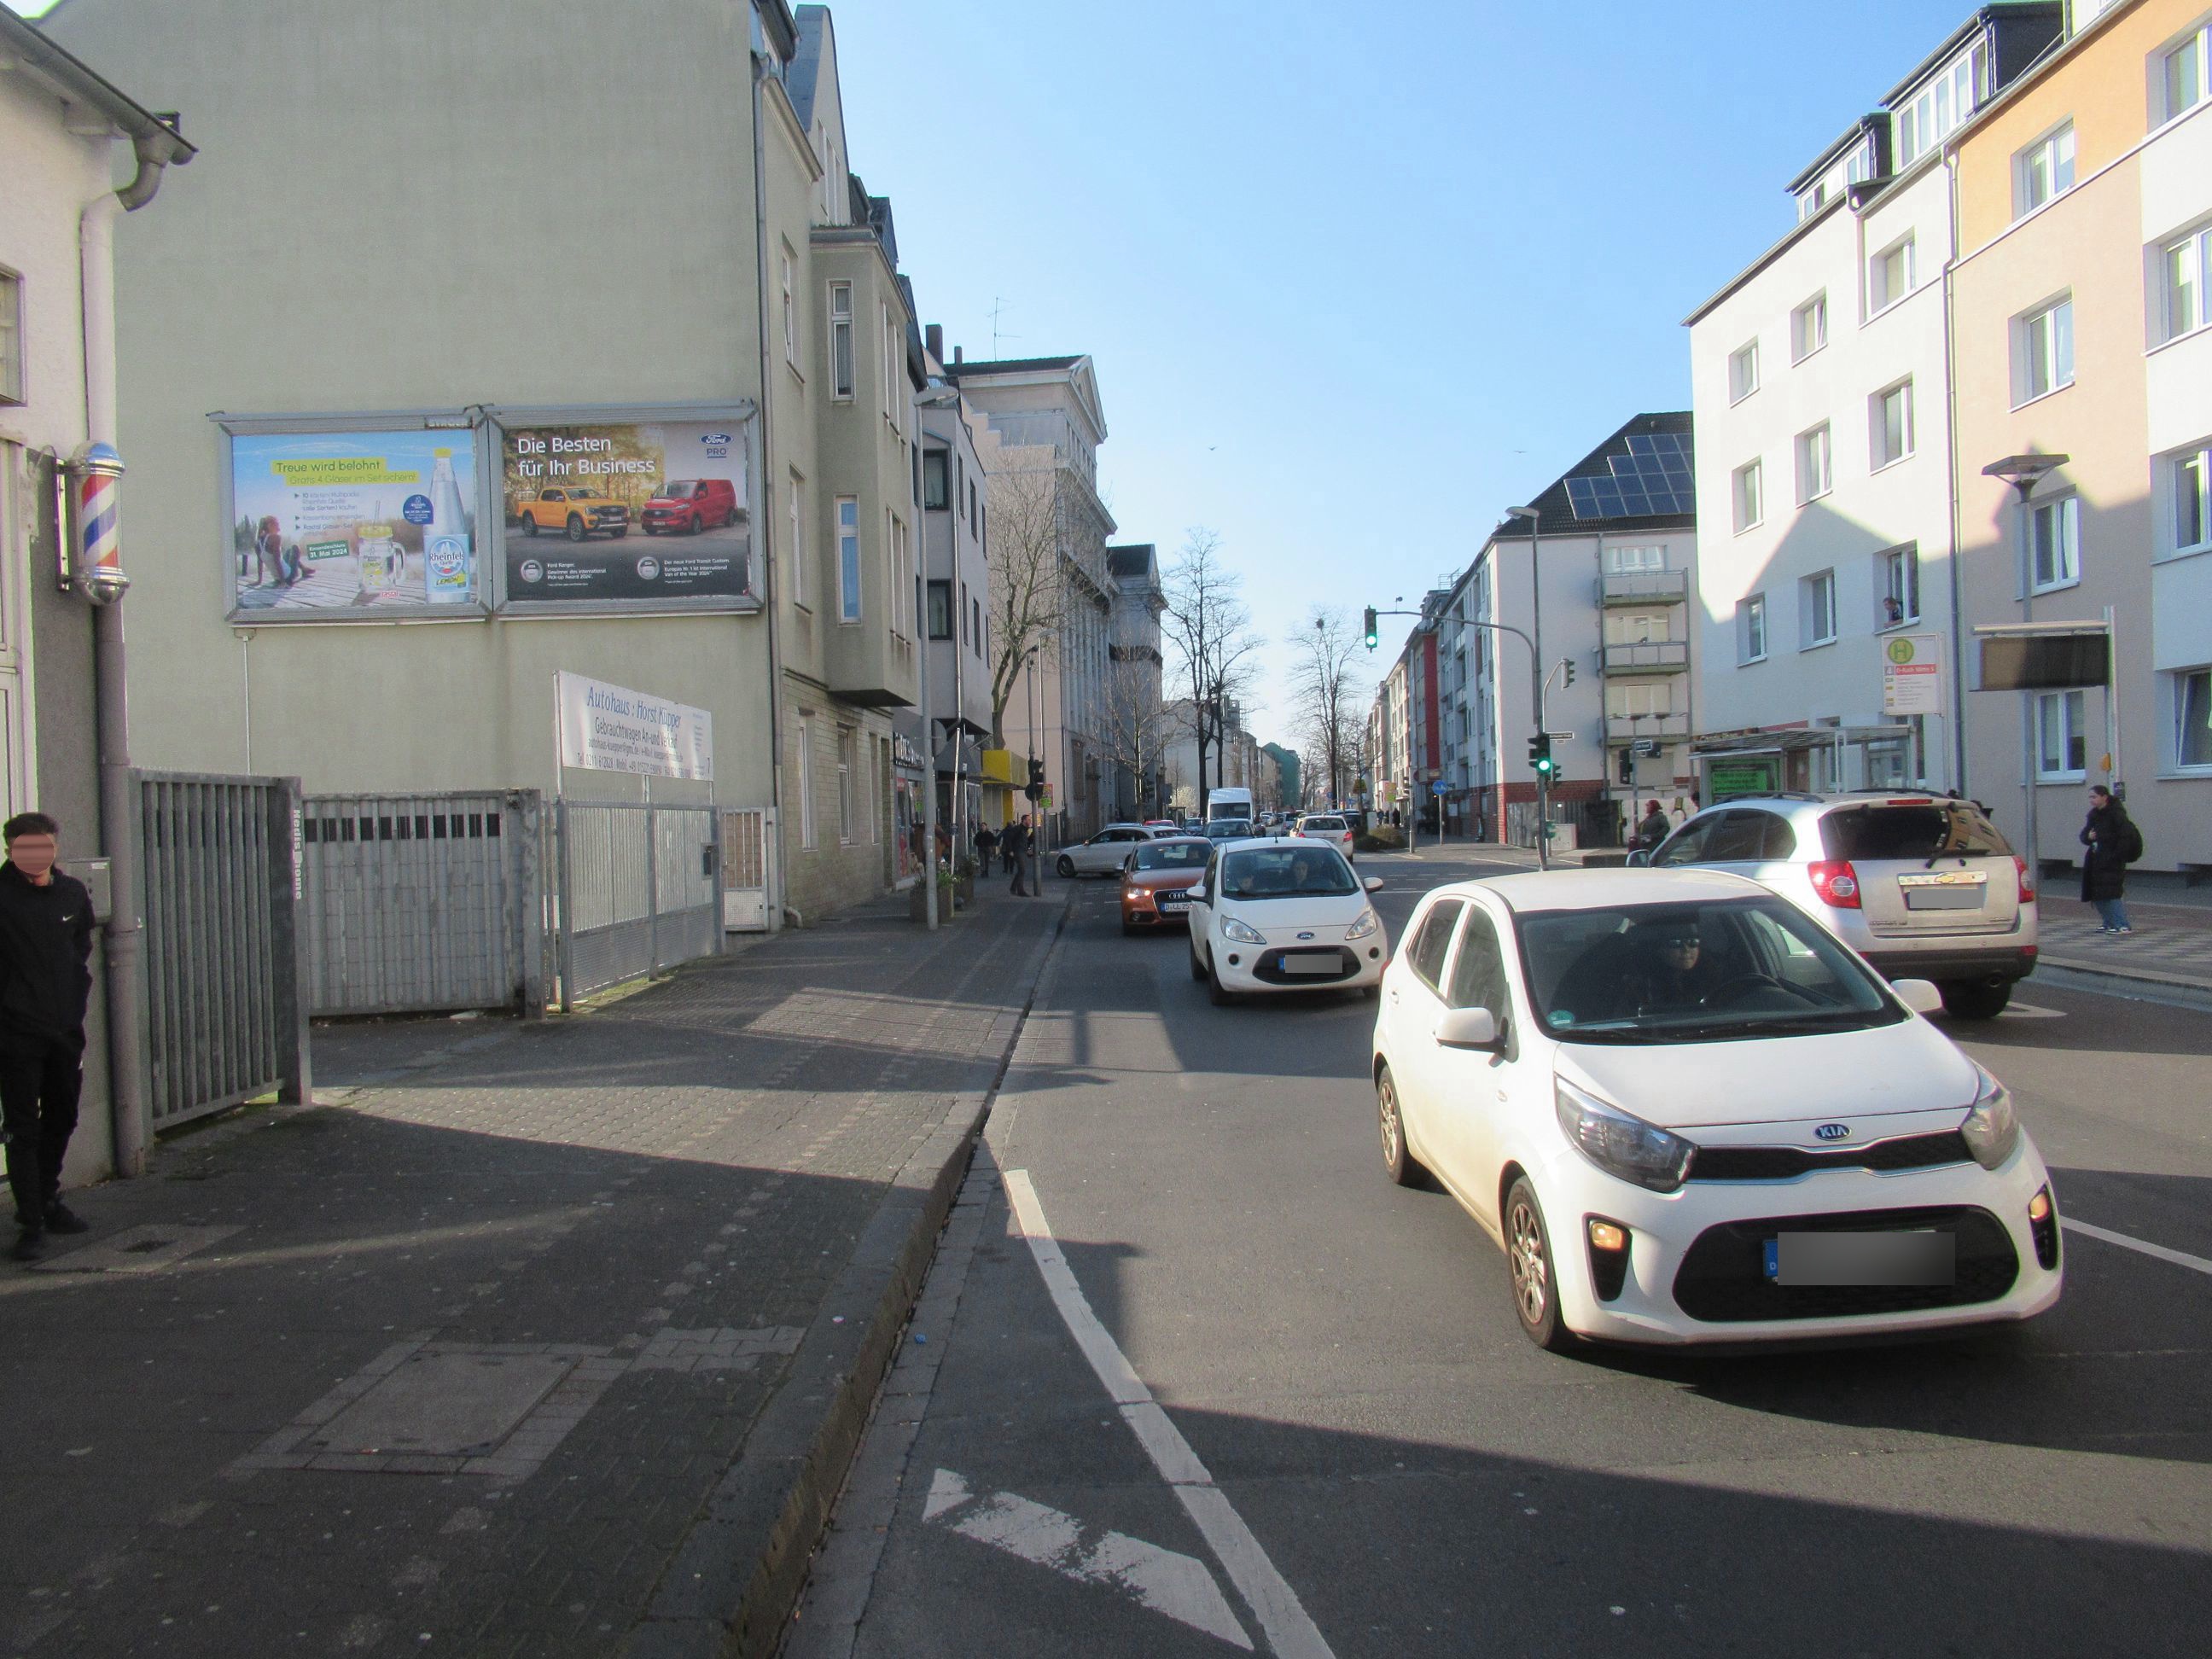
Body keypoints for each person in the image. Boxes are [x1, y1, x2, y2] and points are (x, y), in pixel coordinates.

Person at [0, 812, 96, 1262]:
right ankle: (31, 1223)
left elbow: (80, 946)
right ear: (10, 850)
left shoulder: (72, 893)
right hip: (16, 1033)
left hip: (64, 1030)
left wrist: (72, 997)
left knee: (64, 1115)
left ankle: (47, 1198)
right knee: (23, 1128)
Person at [2079, 784, 2139, 934]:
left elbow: (2125, 837)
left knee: (2111, 893)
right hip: (2095, 860)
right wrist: (2088, 837)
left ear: (2104, 797)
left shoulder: (2116, 814)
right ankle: (2108, 922)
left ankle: (2122, 924)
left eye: (2094, 797)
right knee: (2097, 893)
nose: (2091, 800)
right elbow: (2084, 835)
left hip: (2111, 861)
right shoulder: (2093, 815)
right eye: (2090, 797)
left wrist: (2116, 856)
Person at [1005, 816, 1032, 896]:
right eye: (1028, 820)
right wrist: (1010, 850)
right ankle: (1020, 890)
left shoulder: (1025, 830)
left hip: (1023, 851)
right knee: (1022, 869)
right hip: (1018, 851)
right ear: (1024, 820)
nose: (1030, 821)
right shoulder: (1018, 829)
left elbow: (1025, 841)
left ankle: (1013, 888)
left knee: (1021, 870)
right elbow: (1009, 839)